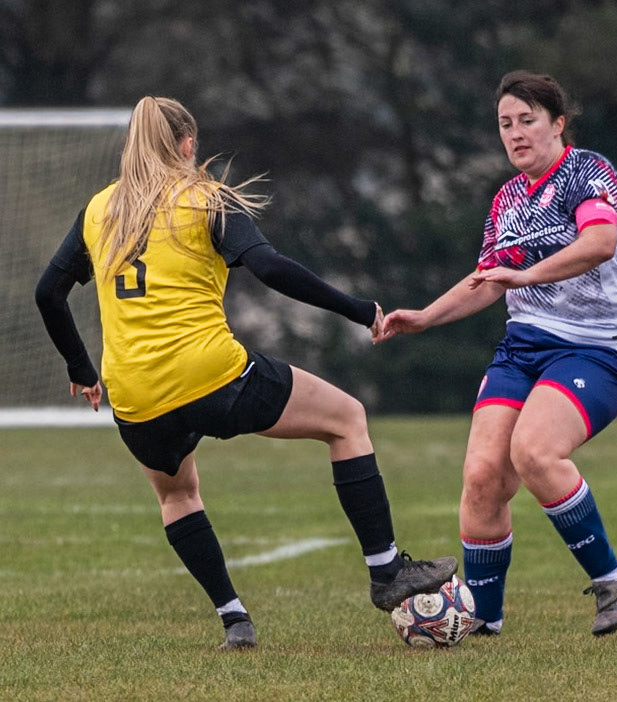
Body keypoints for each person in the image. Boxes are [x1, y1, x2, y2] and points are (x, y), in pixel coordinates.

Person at [35, 96, 457, 651]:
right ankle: (386, 571)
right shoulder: (205, 198)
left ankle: (234, 618)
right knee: (347, 420)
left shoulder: (100, 210)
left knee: (177, 497)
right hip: (212, 376)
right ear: (187, 145)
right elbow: (270, 267)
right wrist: (358, 309)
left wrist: (82, 369)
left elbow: (48, 292)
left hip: (134, 395)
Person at [381, 70, 617, 637]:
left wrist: (524, 274)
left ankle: (613, 581)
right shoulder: (507, 199)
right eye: (506, 124)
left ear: (558, 123)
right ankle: (484, 617)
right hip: (524, 348)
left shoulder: (588, 172)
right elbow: (489, 279)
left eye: (528, 120)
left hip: (598, 346)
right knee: (483, 476)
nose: (516, 133)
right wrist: (425, 316)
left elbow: (598, 243)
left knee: (534, 452)